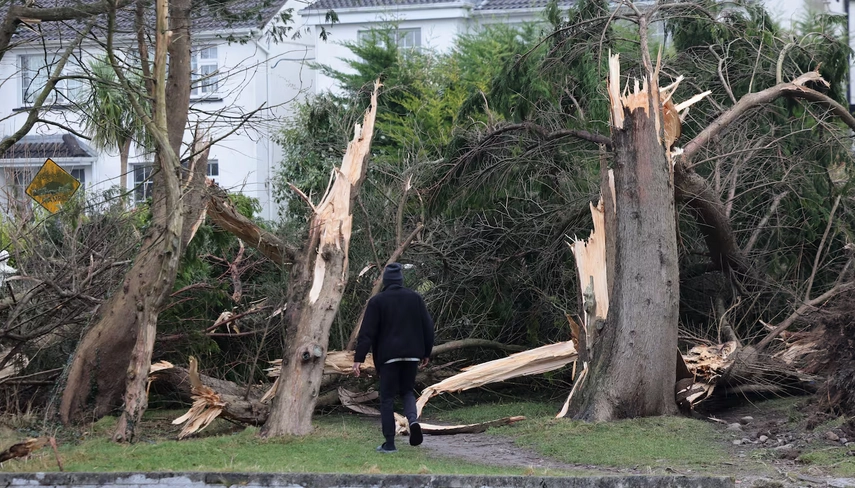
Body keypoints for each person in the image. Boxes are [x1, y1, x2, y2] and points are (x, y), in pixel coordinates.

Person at [352, 262, 435, 453]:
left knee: (387, 398)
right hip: (413, 355)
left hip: (388, 357)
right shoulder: (415, 298)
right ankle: (413, 420)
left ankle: (389, 443)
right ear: (400, 280)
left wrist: (359, 358)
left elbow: (367, 333)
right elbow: (428, 326)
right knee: (407, 391)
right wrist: (426, 352)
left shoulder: (377, 301)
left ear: (386, 281)